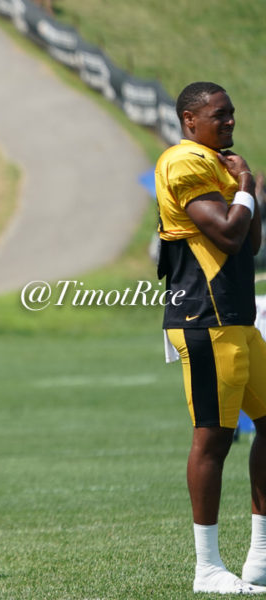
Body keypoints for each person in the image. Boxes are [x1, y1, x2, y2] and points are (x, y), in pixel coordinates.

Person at [157, 81, 266, 595]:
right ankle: (207, 568)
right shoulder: (184, 162)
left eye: (232, 114)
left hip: (238, 317)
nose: (229, 122)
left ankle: (261, 558)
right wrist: (242, 185)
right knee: (214, 437)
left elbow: (251, 239)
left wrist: (250, 189)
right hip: (205, 318)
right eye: (219, 115)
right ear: (188, 120)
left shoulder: (219, 164)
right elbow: (225, 231)